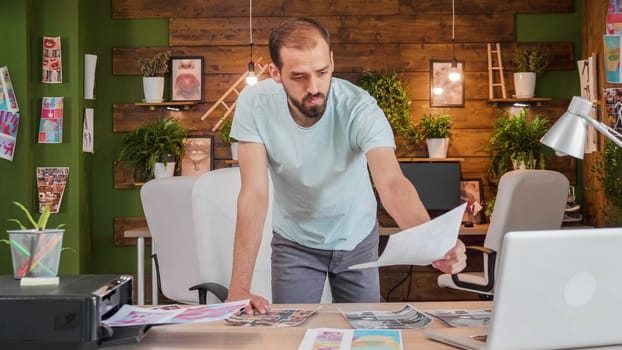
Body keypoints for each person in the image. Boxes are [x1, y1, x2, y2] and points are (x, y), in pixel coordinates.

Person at [226, 17, 466, 313]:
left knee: (366, 332)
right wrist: (238, 288)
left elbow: (391, 183)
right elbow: (254, 193)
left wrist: (433, 244)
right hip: (294, 242)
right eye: (299, 76)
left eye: (322, 72)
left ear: (332, 62)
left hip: (357, 239)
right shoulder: (255, 103)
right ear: (276, 73)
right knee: (291, 333)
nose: (314, 87)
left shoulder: (359, 108)